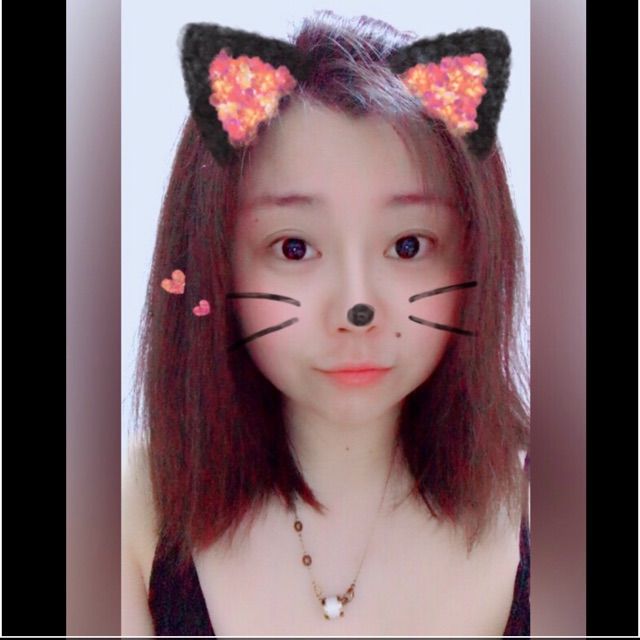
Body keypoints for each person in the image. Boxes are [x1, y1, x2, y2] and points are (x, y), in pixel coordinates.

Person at [122, 10, 530, 636]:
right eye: (294, 248)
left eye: (409, 246)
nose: (355, 310)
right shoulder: (129, 508)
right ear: (214, 263)